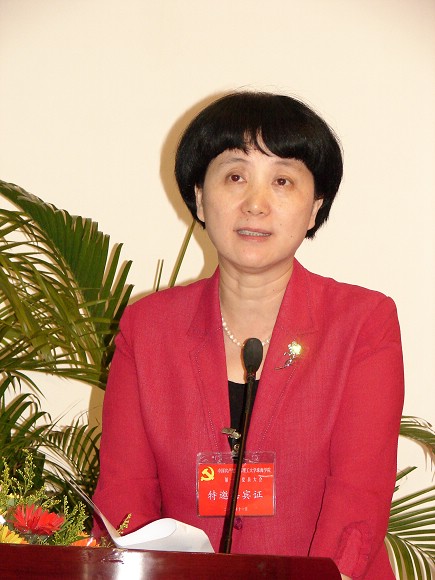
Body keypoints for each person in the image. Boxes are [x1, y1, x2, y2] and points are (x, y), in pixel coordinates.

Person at [93, 91, 404, 579]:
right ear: (200, 196)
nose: (256, 204)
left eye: (282, 181)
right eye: (235, 176)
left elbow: (358, 494)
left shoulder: (363, 323)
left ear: (315, 207)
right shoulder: (147, 328)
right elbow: (124, 495)